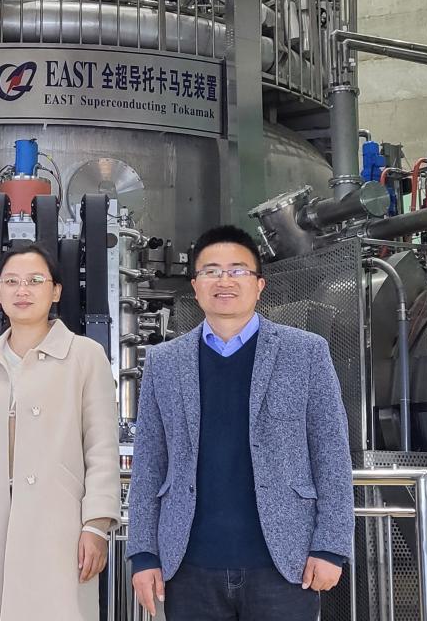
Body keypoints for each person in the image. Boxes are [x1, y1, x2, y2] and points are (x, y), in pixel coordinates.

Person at [128, 225, 354, 620]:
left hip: (285, 564)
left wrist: (331, 546)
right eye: (211, 271)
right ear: (195, 285)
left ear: (259, 284)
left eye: (237, 270)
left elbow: (331, 452)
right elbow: (149, 461)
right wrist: (143, 553)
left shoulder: (305, 352)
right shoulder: (165, 361)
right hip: (189, 566)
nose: (224, 281)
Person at [0, 243, 121, 621]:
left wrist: (96, 524)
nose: (22, 290)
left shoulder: (85, 356)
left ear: (55, 291)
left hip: (59, 527)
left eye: (35, 281)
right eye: (11, 282)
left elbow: (101, 449)